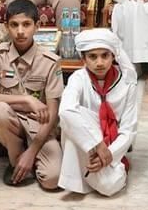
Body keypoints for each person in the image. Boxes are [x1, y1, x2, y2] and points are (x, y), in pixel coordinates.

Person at [0, 0, 63, 188]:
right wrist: (27, 100)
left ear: (37, 26)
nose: (20, 31)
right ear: (6, 27)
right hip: (10, 120)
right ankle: (15, 158)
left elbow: (52, 115)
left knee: (53, 180)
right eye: (14, 25)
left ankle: (24, 153)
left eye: (26, 24)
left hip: (39, 125)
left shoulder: (50, 61)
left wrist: (32, 151)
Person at [58, 28, 139, 196]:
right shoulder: (78, 78)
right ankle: (81, 174)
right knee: (72, 114)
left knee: (110, 186)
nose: (100, 62)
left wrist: (109, 153)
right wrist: (96, 144)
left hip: (112, 144)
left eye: (105, 55)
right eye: (93, 57)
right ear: (83, 59)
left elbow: (128, 129)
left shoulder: (127, 83)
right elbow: (65, 111)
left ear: (113, 56)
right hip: (86, 141)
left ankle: (97, 168)